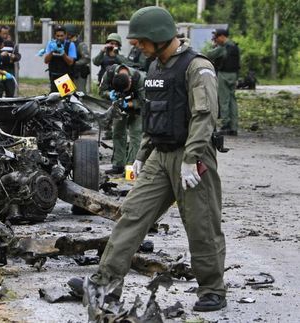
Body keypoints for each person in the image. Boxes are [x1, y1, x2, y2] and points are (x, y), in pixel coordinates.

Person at [85, 6, 227, 312]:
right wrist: (140, 157)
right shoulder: (154, 68)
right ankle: (105, 282)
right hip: (158, 157)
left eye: (141, 41)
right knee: (131, 215)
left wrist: (191, 158)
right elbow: (153, 116)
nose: (136, 46)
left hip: (191, 158)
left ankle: (213, 290)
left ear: (159, 37)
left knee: (201, 225)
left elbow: (205, 116)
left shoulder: (196, 67)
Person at [99, 64, 145, 174]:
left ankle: (131, 167)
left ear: (130, 80)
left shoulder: (140, 78)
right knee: (118, 133)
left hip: (136, 107)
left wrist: (128, 104)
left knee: (135, 135)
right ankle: (118, 164)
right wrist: (109, 94)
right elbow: (101, 91)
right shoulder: (109, 74)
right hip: (119, 106)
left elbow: (143, 101)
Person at [206, 29, 240, 136]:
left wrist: (214, 45)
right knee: (232, 101)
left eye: (216, 38)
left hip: (224, 75)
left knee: (224, 100)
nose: (216, 40)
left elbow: (209, 55)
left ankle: (226, 125)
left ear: (222, 37)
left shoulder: (222, 47)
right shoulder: (234, 46)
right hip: (234, 75)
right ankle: (234, 127)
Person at [44, 25, 77, 93]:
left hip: (65, 76)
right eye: (57, 36)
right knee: (54, 98)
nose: (59, 38)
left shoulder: (70, 45)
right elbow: (46, 61)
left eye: (62, 36)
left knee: (65, 99)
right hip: (53, 75)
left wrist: (63, 54)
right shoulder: (51, 44)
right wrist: (52, 51)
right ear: (55, 36)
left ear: (65, 35)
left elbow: (70, 62)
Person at [64, 24, 91, 93]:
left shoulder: (80, 45)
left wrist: (75, 63)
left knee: (80, 95)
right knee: (65, 95)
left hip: (78, 73)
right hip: (66, 71)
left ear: (70, 34)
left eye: (65, 33)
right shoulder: (65, 43)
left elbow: (86, 59)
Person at [0, 25, 21, 97]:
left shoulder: (11, 44)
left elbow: (18, 55)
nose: (5, 36)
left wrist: (14, 57)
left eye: (7, 33)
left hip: (9, 71)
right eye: (4, 34)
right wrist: (1, 55)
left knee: (10, 92)